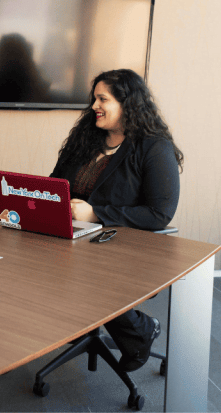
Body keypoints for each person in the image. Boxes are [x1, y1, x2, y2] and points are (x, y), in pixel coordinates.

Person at [51, 68, 183, 372]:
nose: (94, 106)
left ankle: (141, 329)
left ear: (128, 103)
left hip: (125, 245)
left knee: (88, 271)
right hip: (77, 240)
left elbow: (160, 213)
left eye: (103, 99)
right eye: (94, 98)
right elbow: (56, 183)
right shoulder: (85, 140)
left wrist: (95, 213)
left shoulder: (154, 147)